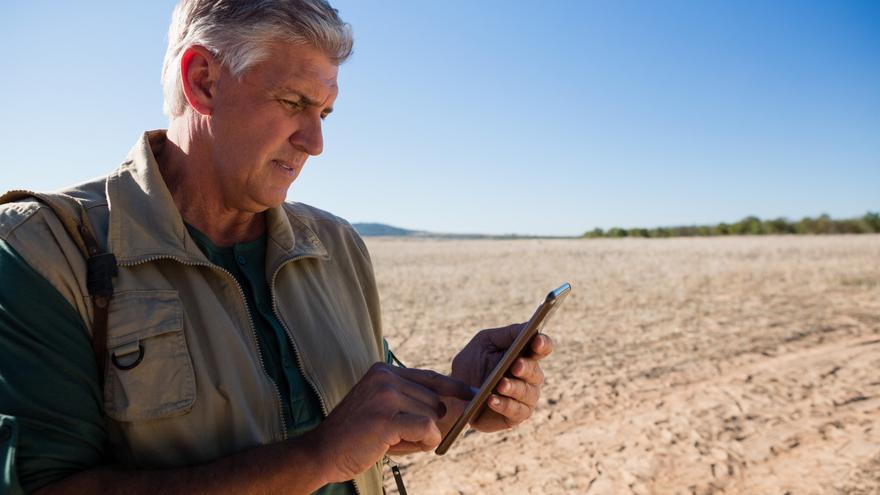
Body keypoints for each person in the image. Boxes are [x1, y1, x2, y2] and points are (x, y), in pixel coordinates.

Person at [0, 1, 554, 494]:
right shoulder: (45, 251)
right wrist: (315, 458)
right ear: (204, 81)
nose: (315, 143)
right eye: (293, 102)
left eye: (324, 113)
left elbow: (367, 414)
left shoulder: (335, 246)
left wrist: (461, 397)